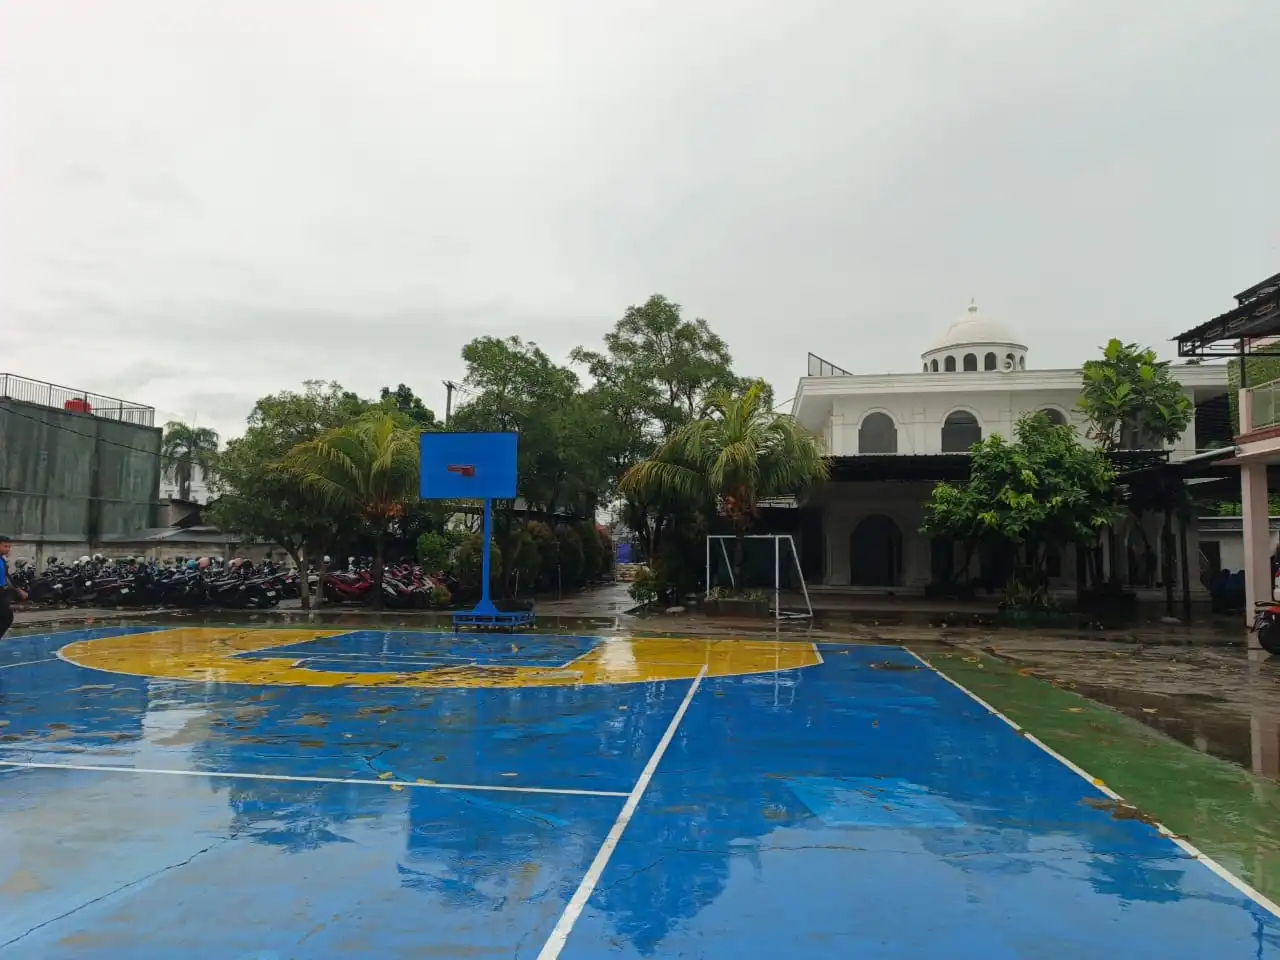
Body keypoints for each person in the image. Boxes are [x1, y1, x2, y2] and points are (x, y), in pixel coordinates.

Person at [0, 535, 29, 641]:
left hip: (2, 592)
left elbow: (7, 577)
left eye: (9, 547)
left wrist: (20, 591)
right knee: (7, 617)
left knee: (6, 618)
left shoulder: (2, 560)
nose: (8, 549)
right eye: (5, 546)